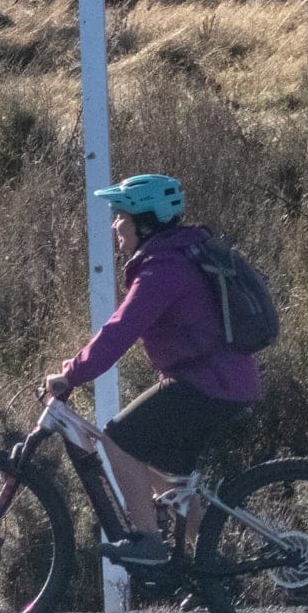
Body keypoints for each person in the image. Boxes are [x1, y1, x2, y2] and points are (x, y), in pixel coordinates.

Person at [45, 174, 263, 568]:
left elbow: (121, 330)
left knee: (117, 440)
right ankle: (215, 567)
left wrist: (72, 373)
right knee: (166, 476)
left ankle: (147, 540)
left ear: (144, 221)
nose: (115, 224)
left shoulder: (163, 268)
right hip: (219, 383)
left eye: (121, 215)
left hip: (208, 384)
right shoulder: (176, 256)